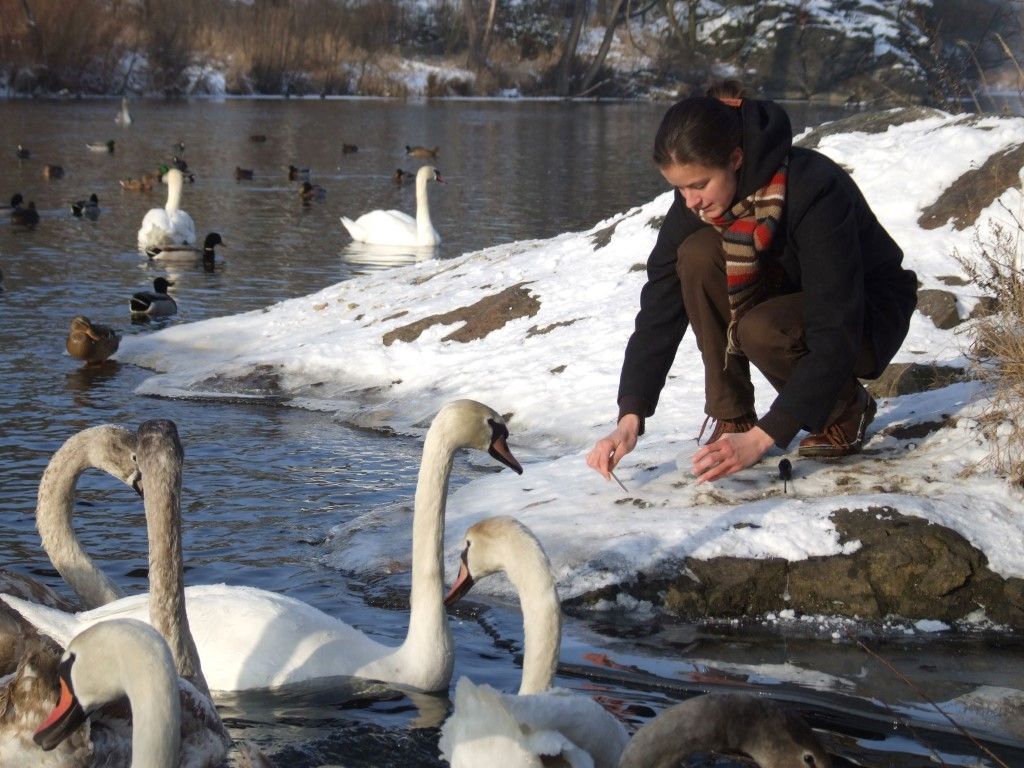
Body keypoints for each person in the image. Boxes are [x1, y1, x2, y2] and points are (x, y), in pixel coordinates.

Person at [587, 82, 917, 485]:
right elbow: (659, 308)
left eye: (699, 184)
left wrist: (767, 436)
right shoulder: (697, 204)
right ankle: (732, 416)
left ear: (736, 158)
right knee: (695, 256)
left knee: (759, 328)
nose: (690, 201)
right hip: (791, 298)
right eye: (679, 188)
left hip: (864, 314)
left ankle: (845, 407)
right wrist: (629, 415)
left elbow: (836, 325)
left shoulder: (814, 188)